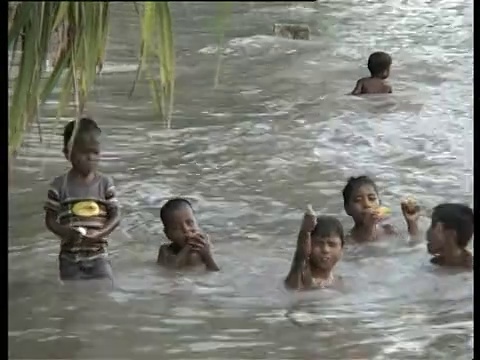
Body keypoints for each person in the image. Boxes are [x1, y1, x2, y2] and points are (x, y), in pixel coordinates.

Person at [44, 117, 120, 281]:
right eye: (84, 152)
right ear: (67, 153)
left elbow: (116, 217)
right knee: (72, 297)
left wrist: (99, 234)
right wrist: (67, 233)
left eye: (95, 152)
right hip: (69, 258)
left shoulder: (105, 184)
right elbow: (50, 220)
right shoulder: (58, 186)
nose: (91, 157)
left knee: (104, 290)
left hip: (99, 255)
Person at [342, 176, 420, 242]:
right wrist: (369, 228)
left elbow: (414, 245)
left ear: (379, 203)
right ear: (347, 209)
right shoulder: (348, 242)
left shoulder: (388, 230)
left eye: (371, 198)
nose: (367, 204)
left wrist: (412, 223)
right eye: (358, 200)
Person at [285, 205, 344, 290]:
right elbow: (300, 258)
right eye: (319, 244)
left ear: (342, 248)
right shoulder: (301, 279)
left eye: (331, 244)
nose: (325, 250)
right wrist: (305, 232)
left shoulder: (338, 281)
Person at [157, 198, 220, 271]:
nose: (186, 230)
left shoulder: (205, 244)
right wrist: (187, 248)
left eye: (190, 223)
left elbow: (216, 271)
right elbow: (170, 271)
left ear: (197, 223)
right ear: (168, 234)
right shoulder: (165, 250)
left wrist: (207, 255)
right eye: (177, 228)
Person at [426, 203, 473, 269]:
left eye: (433, 225)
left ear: (451, 235)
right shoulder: (434, 263)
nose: (428, 231)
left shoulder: (468, 276)